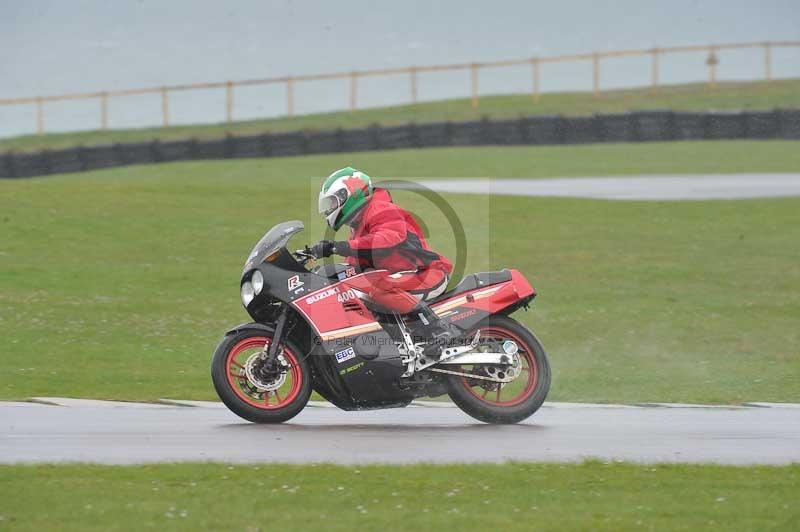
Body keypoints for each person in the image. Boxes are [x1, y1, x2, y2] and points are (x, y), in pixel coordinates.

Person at [311, 167, 458, 344]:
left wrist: (338, 247)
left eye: (333, 203)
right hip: (402, 276)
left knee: (375, 288)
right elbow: (355, 262)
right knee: (354, 288)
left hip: (425, 273)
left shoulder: (381, 208)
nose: (330, 209)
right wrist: (326, 273)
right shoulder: (359, 223)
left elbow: (386, 240)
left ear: (350, 195)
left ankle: (440, 330)